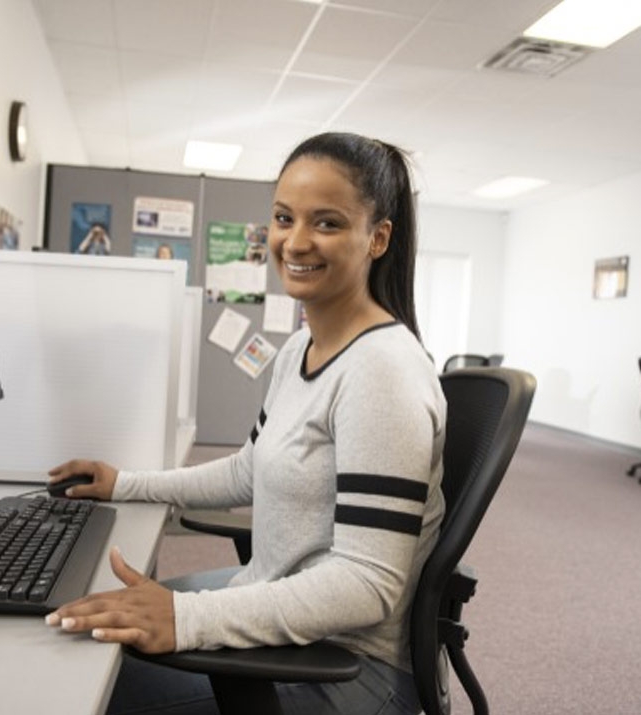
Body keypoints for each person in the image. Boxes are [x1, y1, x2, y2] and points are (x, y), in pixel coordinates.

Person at [46, 132, 447, 715]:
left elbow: (367, 584)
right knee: (89, 644)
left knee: (92, 688)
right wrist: (124, 483)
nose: (296, 240)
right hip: (287, 630)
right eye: (285, 217)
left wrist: (188, 618)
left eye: (328, 223)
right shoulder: (298, 351)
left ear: (377, 238)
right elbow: (247, 471)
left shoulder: (382, 372)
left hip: (346, 672)